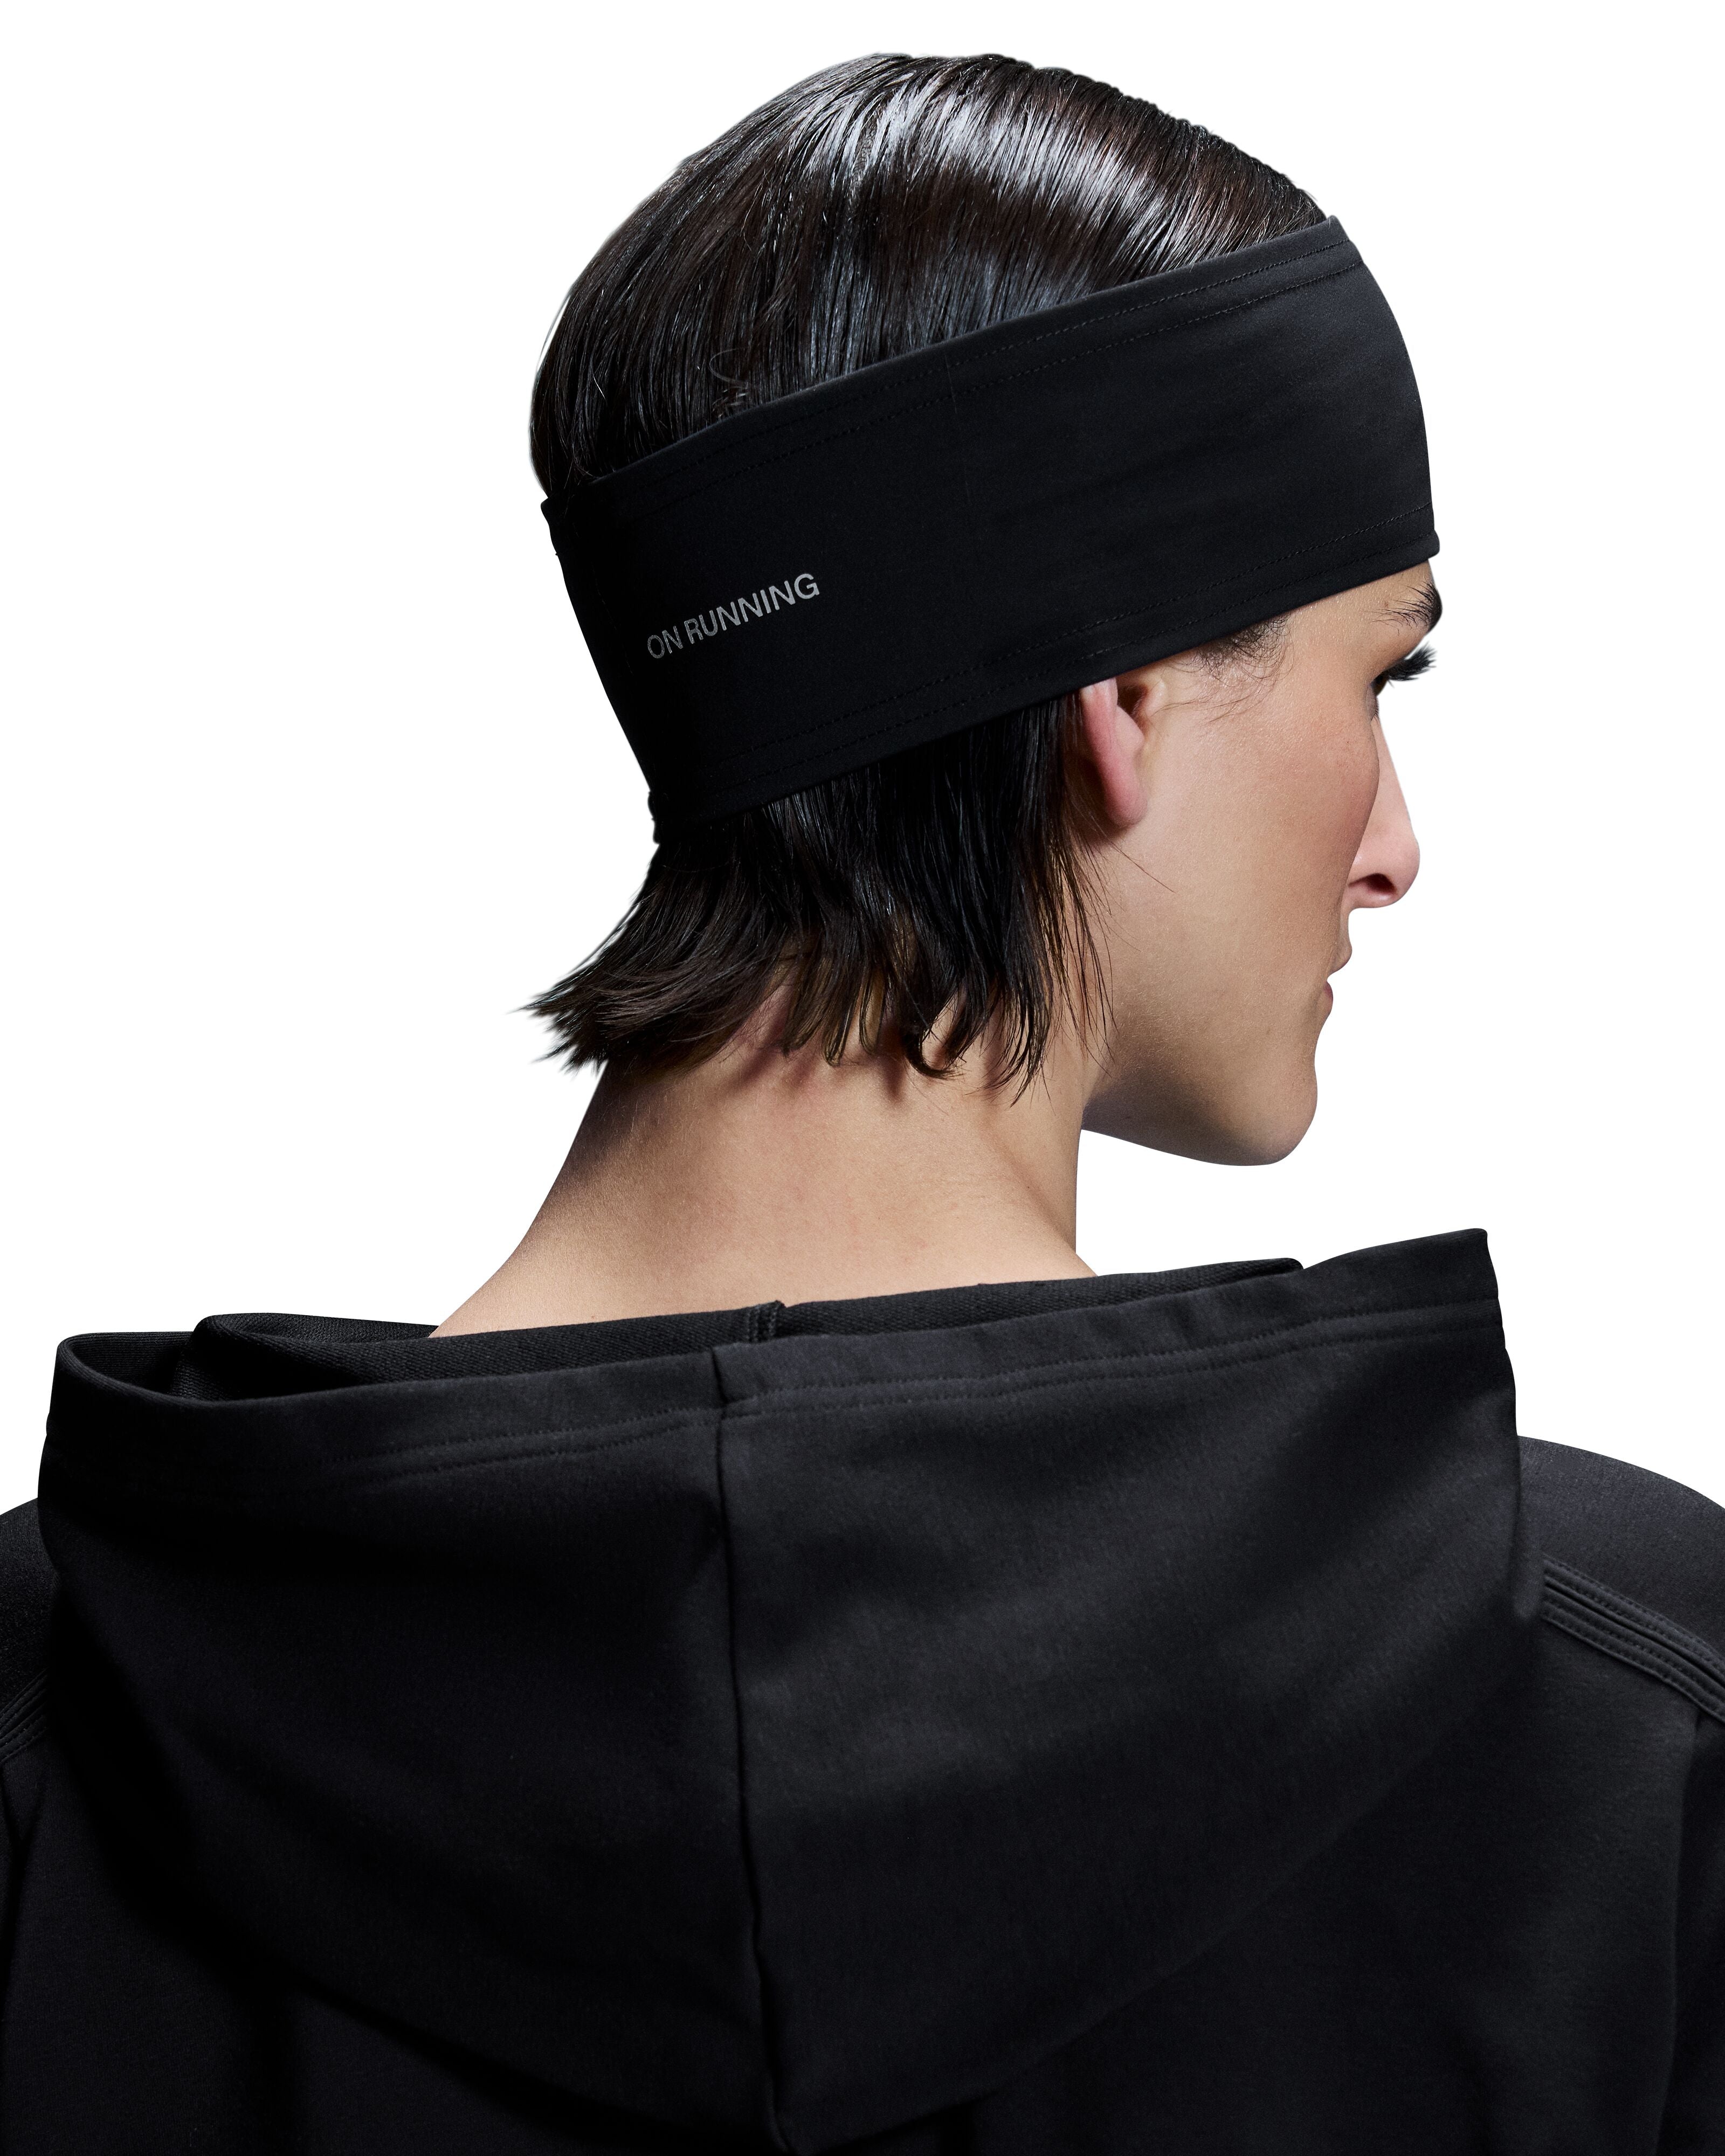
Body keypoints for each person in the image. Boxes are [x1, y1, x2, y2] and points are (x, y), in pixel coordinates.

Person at [1, 52, 1720, 2155]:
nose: (1392, 847)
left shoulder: (62, 1728)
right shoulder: (1624, 1713)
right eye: (1381, 674)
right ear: (1122, 696)